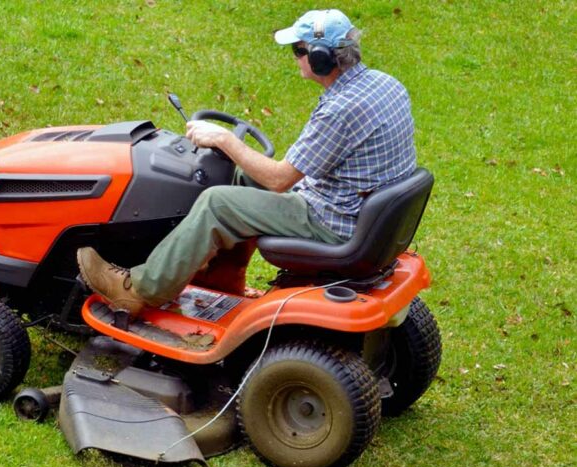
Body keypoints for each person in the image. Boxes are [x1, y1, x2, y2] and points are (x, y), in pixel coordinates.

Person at [77, 8, 416, 316]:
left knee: (216, 202)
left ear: (322, 58)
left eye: (298, 51)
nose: (295, 58)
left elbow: (279, 180)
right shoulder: (386, 84)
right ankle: (223, 283)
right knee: (239, 178)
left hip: (333, 221)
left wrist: (223, 139)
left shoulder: (339, 110)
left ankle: (140, 290)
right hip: (358, 208)